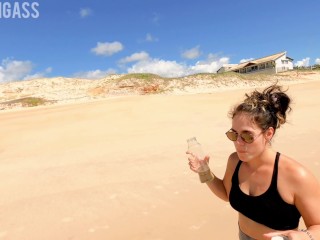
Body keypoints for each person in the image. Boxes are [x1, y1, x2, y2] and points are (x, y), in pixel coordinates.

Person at [187, 84, 320, 240]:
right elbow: (226, 194)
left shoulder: (297, 176)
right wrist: (205, 172)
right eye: (233, 134)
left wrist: (303, 237)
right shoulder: (235, 161)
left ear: (269, 133)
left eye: (247, 136)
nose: (238, 142)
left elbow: (317, 226)